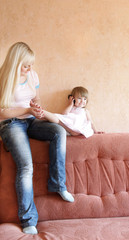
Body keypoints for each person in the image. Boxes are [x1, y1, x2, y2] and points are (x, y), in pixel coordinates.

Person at [0, 42, 74, 235]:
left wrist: (37, 107)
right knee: (26, 166)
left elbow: (36, 99)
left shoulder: (33, 75)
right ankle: (28, 220)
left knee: (57, 131)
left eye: (31, 64)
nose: (30, 69)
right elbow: (1, 112)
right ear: (16, 63)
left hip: (32, 120)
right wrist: (26, 109)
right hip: (12, 124)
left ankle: (58, 184)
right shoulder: (4, 77)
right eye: (26, 65)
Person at [31, 86, 97, 138]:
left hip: (78, 127)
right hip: (69, 129)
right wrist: (70, 104)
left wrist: (96, 131)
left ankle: (41, 112)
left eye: (85, 99)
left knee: (57, 118)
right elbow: (64, 114)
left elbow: (91, 122)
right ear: (73, 99)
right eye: (79, 98)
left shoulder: (85, 111)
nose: (82, 101)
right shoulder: (71, 108)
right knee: (56, 118)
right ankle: (41, 114)